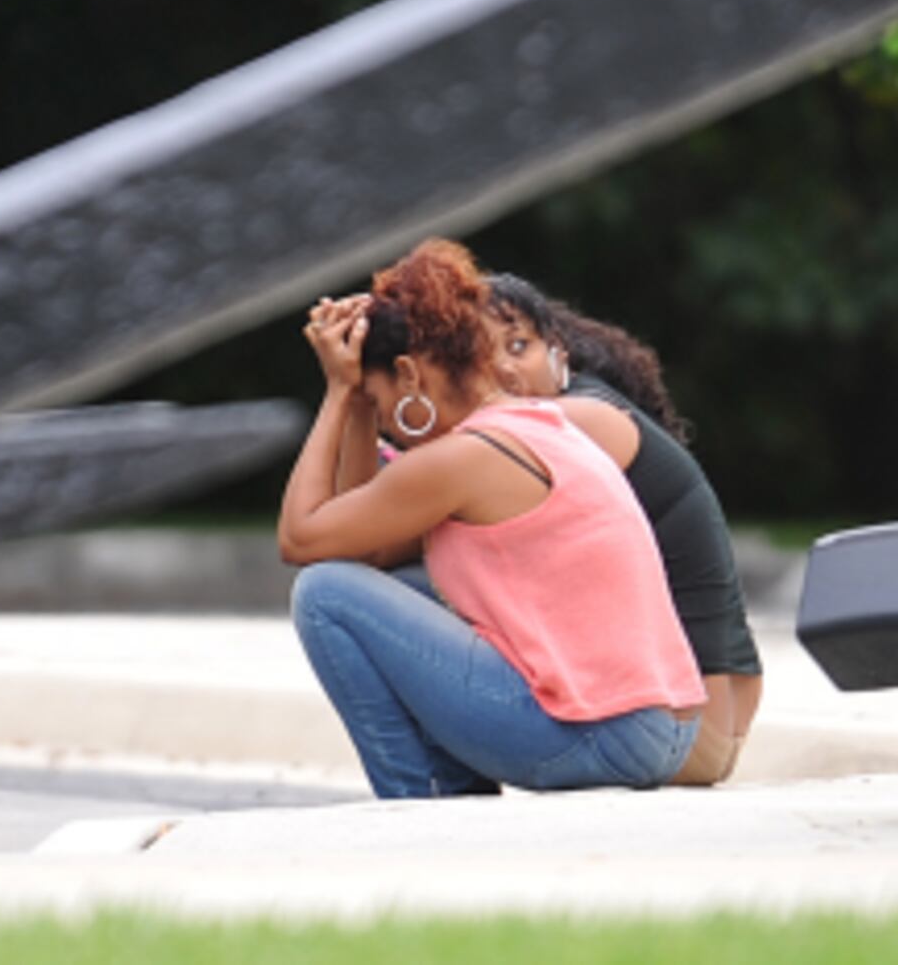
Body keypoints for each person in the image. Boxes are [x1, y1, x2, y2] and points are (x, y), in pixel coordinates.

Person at [278, 238, 705, 799]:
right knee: (396, 585)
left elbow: (302, 537)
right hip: (663, 728)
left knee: (324, 593)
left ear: (409, 374)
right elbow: (366, 554)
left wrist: (336, 394)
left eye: (381, 409)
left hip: (604, 735)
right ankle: (450, 792)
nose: (386, 426)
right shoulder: (529, 424)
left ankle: (418, 807)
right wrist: (360, 401)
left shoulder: (464, 457)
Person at [485, 273, 763, 786]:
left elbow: (341, 535)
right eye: (473, 357)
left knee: (392, 585)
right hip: (704, 716)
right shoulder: (587, 408)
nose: (500, 368)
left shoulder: (573, 422)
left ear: (557, 352)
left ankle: (436, 791)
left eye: (518, 346)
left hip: (688, 728)